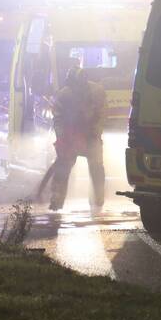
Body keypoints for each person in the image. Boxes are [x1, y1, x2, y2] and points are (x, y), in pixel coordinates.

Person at [49, 67, 106, 213]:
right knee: (63, 168)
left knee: (96, 168)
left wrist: (95, 133)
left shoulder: (97, 92)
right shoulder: (63, 95)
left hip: (91, 137)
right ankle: (56, 200)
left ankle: (98, 199)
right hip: (71, 137)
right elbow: (58, 119)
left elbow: (102, 115)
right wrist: (63, 138)